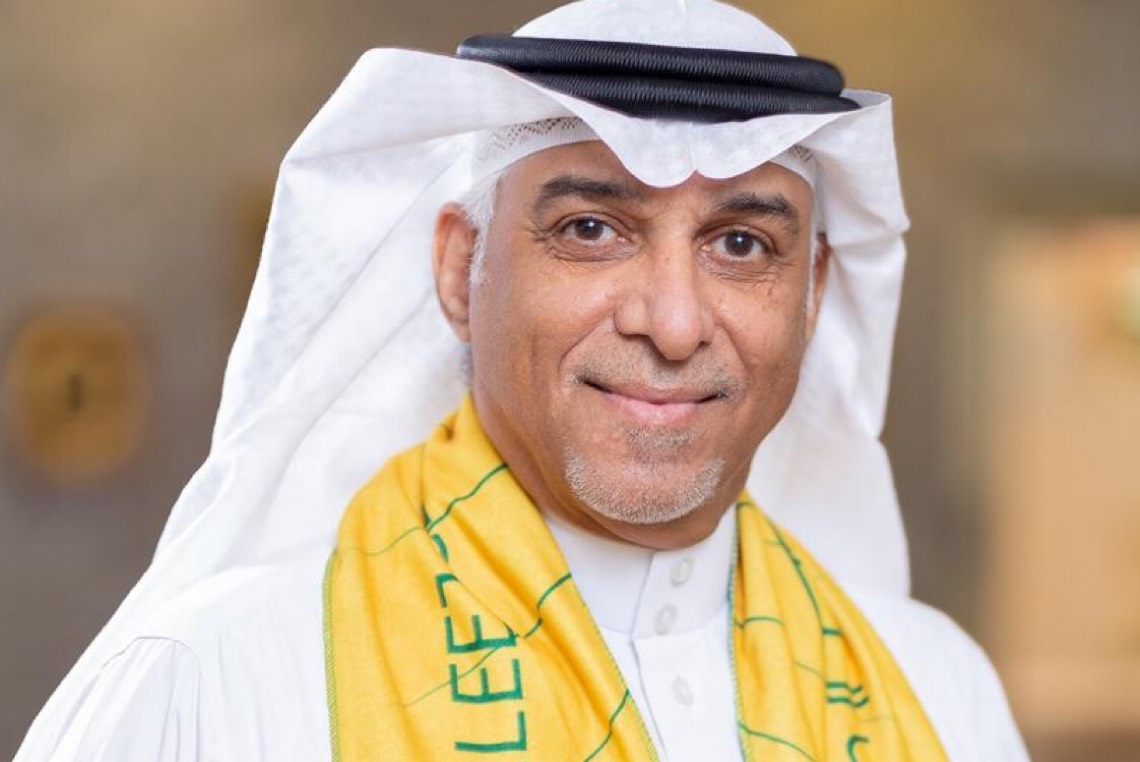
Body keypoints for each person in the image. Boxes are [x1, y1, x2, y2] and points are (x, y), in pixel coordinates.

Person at [17, 0, 1030, 759]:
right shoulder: (222, 677)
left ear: (811, 294)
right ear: (462, 269)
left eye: (740, 244)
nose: (675, 322)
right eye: (591, 229)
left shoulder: (937, 691)